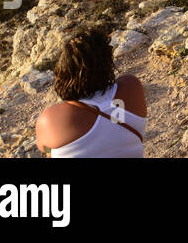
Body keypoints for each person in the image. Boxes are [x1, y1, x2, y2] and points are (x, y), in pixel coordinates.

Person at [35, 27, 147, 157]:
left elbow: (44, 148)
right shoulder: (131, 86)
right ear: (107, 62)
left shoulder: (50, 118)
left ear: (63, 70)